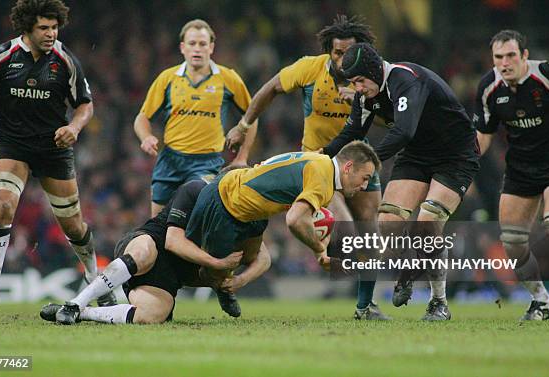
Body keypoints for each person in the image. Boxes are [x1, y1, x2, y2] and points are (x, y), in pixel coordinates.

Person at [225, 15, 388, 320]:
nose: (342, 59)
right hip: (318, 162)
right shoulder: (310, 69)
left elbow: (389, 119)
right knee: (346, 227)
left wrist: (363, 100)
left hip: (359, 161)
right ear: (329, 51)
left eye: (348, 53)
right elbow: (271, 88)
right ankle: (324, 254)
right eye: (337, 53)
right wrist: (244, 123)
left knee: (369, 232)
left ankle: (365, 306)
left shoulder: (370, 78)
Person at [0, 0, 115, 320]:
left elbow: (85, 104)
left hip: (53, 148)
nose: (51, 34)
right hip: (12, 145)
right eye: (44, 28)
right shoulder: (0, 57)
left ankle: (96, 281)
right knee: (4, 205)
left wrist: (74, 128)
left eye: (54, 27)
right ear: (27, 28)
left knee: (74, 225)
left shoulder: (65, 60)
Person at [323, 43, 480, 321]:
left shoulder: (405, 80)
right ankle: (410, 268)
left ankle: (438, 302)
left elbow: (404, 131)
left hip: (455, 154)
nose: (357, 88)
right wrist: (318, 159)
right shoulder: (366, 96)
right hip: (418, 155)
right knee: (388, 224)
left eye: (360, 80)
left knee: (428, 221)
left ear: (373, 70)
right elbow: (352, 132)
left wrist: (365, 161)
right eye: (353, 82)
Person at [40, 177, 271, 325]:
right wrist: (216, 263)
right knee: (144, 253)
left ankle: (82, 314)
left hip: (168, 276)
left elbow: (263, 256)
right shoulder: (195, 191)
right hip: (149, 242)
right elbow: (172, 241)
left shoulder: (246, 216)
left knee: (152, 316)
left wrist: (240, 280)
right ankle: (76, 303)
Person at [474, 30, 549, 320]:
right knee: (512, 242)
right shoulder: (489, 88)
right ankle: (541, 301)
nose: (505, 63)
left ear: (524, 55)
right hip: (520, 169)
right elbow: (484, 135)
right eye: (499, 57)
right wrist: (463, 162)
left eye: (511, 55)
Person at [185, 141, 379, 275]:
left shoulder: (322, 164)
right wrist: (319, 247)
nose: (364, 187)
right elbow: (294, 220)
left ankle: (228, 286)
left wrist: (322, 256)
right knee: (205, 270)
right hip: (227, 201)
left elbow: (311, 217)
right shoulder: (323, 178)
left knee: (250, 258)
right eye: (365, 178)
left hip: (252, 210)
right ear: (348, 168)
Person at [134, 19, 257, 218]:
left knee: (195, 218)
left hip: (206, 163)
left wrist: (242, 156)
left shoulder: (228, 78)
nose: (197, 49)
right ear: (183, 48)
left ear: (211, 47)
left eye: (202, 44)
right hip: (170, 160)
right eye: (192, 44)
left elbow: (252, 115)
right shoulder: (168, 78)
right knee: (157, 225)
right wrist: (146, 137)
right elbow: (142, 117)